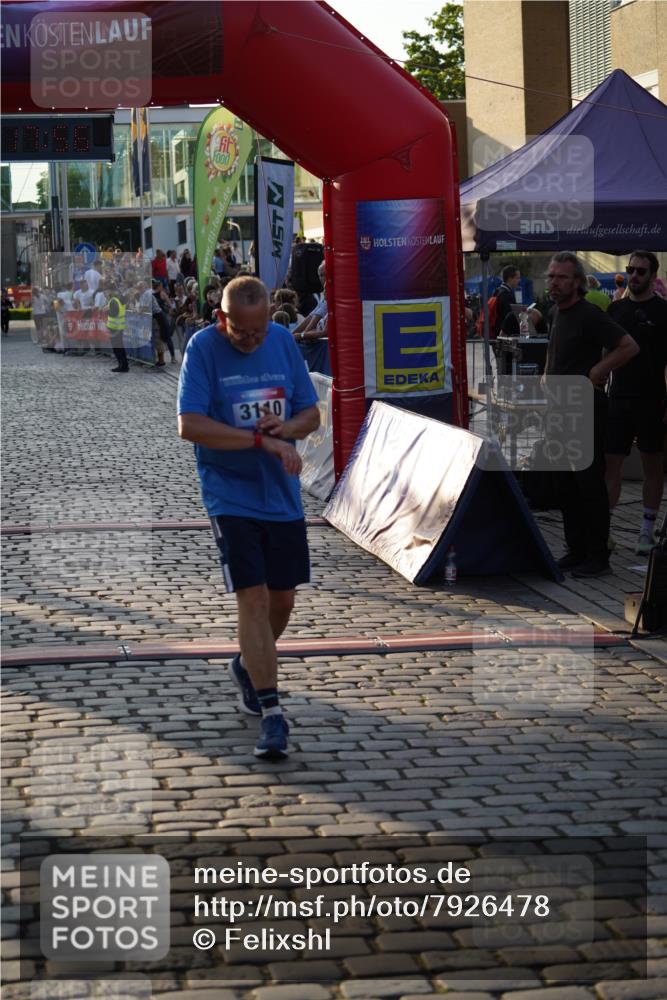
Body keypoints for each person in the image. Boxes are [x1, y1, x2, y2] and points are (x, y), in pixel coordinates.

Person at [177, 276, 320, 760]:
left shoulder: (282, 340)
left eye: (260, 332)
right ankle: (272, 711)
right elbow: (190, 425)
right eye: (243, 332)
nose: (253, 341)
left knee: (282, 601)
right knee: (253, 599)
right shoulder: (202, 348)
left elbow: (311, 415)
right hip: (228, 495)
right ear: (223, 318)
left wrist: (287, 428)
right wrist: (263, 441)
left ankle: (246, 662)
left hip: (281, 496)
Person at [543, 251, 638, 577]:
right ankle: (577, 549)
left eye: (562, 277)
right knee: (564, 483)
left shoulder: (589, 314)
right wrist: (546, 373)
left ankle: (598, 558)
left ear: (578, 282)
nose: (554, 282)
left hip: (585, 407)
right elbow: (554, 349)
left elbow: (628, 346)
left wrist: (598, 371)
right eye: (551, 276)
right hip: (558, 407)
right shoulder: (557, 311)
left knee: (588, 483)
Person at [604, 250, 667, 555]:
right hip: (619, 398)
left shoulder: (664, 312)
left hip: (653, 399)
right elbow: (603, 354)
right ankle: (604, 530)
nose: (634, 276)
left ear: (653, 277)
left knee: (652, 465)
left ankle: (646, 531)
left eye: (641, 271)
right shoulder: (615, 310)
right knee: (610, 463)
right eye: (631, 270)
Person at [107, 284, 129, 373]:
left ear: (111, 291)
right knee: (120, 347)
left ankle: (122, 366)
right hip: (120, 326)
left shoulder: (113, 301)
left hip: (114, 327)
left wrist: (107, 310)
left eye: (108, 291)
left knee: (116, 348)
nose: (107, 293)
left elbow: (113, 313)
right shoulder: (121, 298)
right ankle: (124, 365)